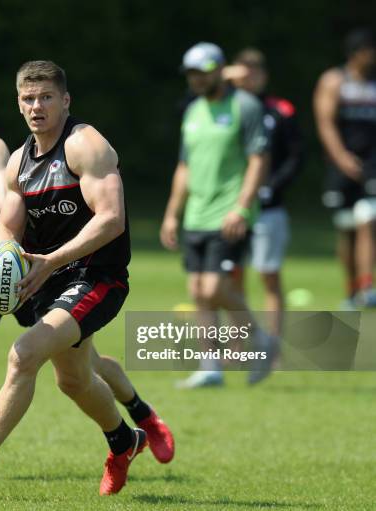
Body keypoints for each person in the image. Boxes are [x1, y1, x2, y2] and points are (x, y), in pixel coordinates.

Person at [0, 76, 174, 486]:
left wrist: (51, 260)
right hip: (45, 278)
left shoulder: (85, 145)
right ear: (18, 104)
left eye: (46, 97)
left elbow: (111, 219)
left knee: (24, 354)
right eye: (28, 98)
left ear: (65, 100)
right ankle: (123, 440)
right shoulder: (19, 161)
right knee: (74, 379)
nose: (36, 106)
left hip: (95, 277)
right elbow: (8, 226)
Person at [160, 42, 275, 388]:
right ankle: (210, 365)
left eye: (203, 72)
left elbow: (259, 158)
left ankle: (260, 339)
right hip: (196, 214)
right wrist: (171, 214)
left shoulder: (246, 106)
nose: (196, 79)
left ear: (219, 70)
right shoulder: (193, 111)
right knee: (198, 290)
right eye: (191, 73)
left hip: (229, 214)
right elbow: (184, 166)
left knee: (213, 288)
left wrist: (242, 205)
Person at [227, 48, 304, 340]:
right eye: (243, 70)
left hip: (269, 208)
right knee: (232, 277)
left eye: (255, 71)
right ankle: (240, 344)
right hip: (230, 208)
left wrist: (272, 186)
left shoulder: (280, 110)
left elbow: (296, 155)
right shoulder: (223, 107)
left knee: (268, 275)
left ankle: (273, 345)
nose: (249, 77)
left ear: (264, 75)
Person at [314, 29, 376, 309]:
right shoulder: (335, 80)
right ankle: (351, 291)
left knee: (368, 220)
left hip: (371, 166)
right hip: (341, 168)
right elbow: (325, 122)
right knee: (347, 229)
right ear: (357, 53)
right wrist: (341, 157)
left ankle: (366, 287)